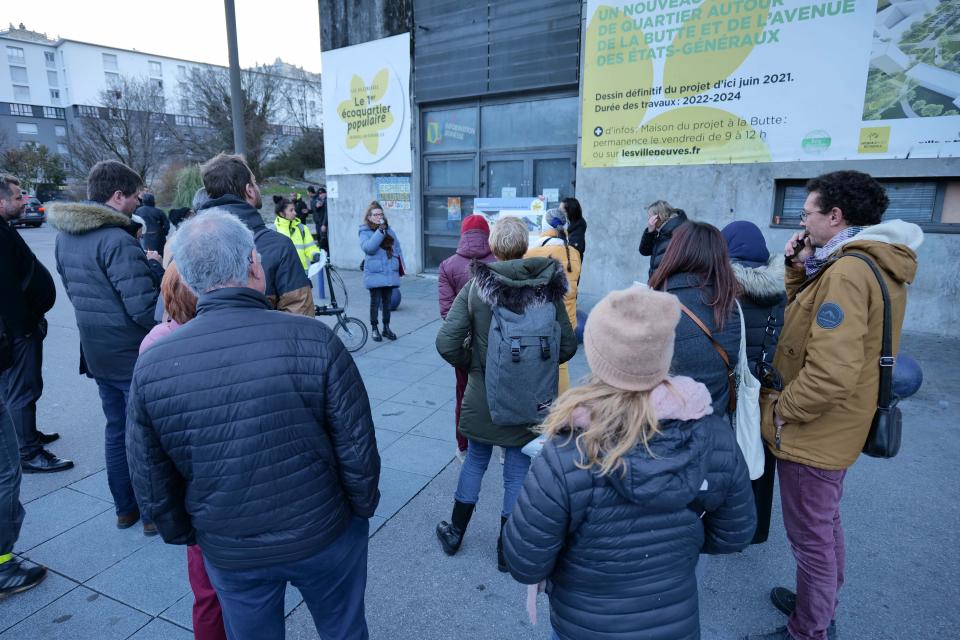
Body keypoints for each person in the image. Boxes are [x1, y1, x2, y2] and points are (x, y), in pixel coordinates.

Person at [126, 210, 380, 640]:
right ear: (253, 265)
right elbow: (357, 446)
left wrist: (191, 534)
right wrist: (359, 512)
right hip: (323, 531)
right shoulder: (314, 339)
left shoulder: (153, 365)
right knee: (343, 629)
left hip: (230, 544)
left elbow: (150, 475)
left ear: (186, 278)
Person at [503, 286, 756, 640]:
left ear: (597, 354)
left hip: (585, 625)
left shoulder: (567, 452)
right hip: (674, 623)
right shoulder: (714, 434)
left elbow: (524, 561)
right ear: (665, 353)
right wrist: (674, 548)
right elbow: (735, 533)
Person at [745, 171, 923, 640]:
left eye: (807, 213)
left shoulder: (846, 271)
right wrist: (797, 268)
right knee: (824, 524)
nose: (801, 221)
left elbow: (830, 373)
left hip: (815, 431)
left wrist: (784, 410)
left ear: (834, 216)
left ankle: (810, 628)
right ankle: (818, 603)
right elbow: (808, 316)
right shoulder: (863, 261)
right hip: (841, 424)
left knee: (811, 539)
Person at [435, 216, 577, 572]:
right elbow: (568, 344)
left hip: (485, 396)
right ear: (524, 245)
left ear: (494, 245)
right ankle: (505, 551)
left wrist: (476, 366)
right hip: (530, 399)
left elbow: (446, 342)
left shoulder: (477, 287)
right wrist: (534, 368)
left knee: (476, 461)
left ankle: (455, 532)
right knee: (516, 472)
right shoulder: (548, 286)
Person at [47, 160, 161, 534]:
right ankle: (151, 514)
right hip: (130, 352)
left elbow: (75, 291)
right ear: (117, 196)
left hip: (96, 350)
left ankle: (124, 509)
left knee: (116, 429)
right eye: (134, 196)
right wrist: (156, 271)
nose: (137, 203)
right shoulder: (116, 240)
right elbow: (144, 308)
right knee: (142, 435)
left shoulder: (66, 236)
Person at [138, 264, 226, 640]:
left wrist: (168, 518)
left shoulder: (155, 342)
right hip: (223, 491)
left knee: (206, 594)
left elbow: (146, 448)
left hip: (193, 496)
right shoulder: (219, 341)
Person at [0, 174, 72, 474]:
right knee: (22, 389)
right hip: (17, 329)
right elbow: (6, 289)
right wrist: (26, 326)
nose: (23, 201)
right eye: (17, 197)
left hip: (16, 327)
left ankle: (24, 435)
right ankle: (28, 451)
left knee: (14, 389)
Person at [722, 220, 787, 545]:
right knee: (760, 452)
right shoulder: (780, 288)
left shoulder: (726, 288)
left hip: (734, 387)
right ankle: (757, 528)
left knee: (729, 454)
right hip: (767, 384)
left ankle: (725, 525)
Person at [198, 153, 314, 316]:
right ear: (249, 191)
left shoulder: (188, 248)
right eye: (254, 182)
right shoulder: (278, 246)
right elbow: (300, 318)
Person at [649, 221, 741, 419]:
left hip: (663, 424)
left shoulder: (654, 302)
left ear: (675, 251)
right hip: (716, 420)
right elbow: (731, 360)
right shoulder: (729, 304)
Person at [438, 214, 496, 460]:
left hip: (465, 345)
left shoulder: (448, 265)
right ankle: (503, 443)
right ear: (487, 234)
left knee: (464, 394)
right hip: (496, 342)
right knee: (500, 391)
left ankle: (463, 446)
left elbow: (447, 311)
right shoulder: (499, 261)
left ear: (462, 235)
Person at [524, 207, 582, 393]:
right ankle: (561, 404)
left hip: (541, 320)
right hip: (568, 320)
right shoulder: (573, 253)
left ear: (543, 226)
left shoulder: (531, 253)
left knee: (540, 365)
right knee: (561, 364)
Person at [359, 201, 402, 342]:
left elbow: (397, 247)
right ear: (369, 217)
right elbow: (369, 248)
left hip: (389, 271)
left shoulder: (388, 229)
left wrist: (397, 264)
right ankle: (374, 328)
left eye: (381, 214)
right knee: (375, 302)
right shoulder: (364, 231)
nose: (379, 217)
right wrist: (380, 232)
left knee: (387, 302)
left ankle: (386, 328)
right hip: (375, 272)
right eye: (375, 214)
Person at [639, 199, 688, 279]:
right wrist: (650, 232)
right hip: (660, 284)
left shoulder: (674, 232)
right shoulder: (663, 232)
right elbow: (644, 251)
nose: (648, 219)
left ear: (659, 216)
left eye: (650, 216)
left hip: (668, 285)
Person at [273, 195, 321, 273]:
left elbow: (310, 247)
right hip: (282, 275)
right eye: (291, 210)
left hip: (302, 272)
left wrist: (315, 255)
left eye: (294, 210)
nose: (295, 213)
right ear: (282, 213)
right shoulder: (273, 230)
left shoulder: (302, 228)